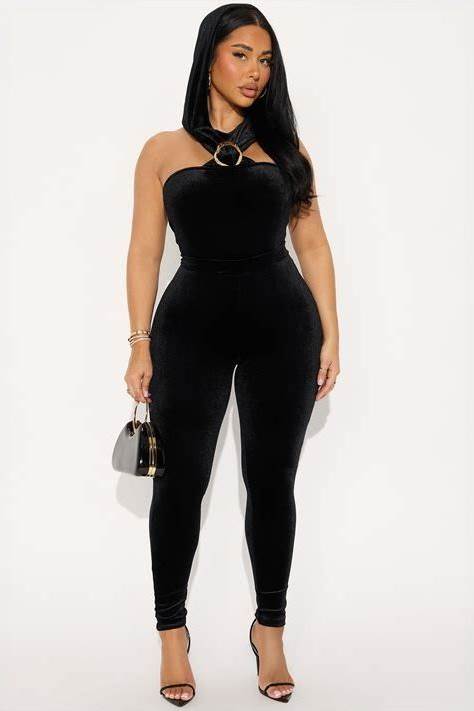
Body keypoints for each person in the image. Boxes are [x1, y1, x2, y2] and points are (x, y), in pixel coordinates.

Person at [124, 3, 340, 705]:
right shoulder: (163, 150)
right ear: (209, 57)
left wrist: (332, 332)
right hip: (190, 330)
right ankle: (172, 634)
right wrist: (138, 342)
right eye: (241, 54)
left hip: (284, 328)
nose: (255, 71)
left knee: (272, 482)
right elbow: (144, 250)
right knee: (178, 485)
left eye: (266, 59)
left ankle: (269, 630)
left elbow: (312, 243)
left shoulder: (287, 149)